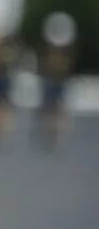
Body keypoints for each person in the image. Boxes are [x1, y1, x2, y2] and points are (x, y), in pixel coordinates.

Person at [34, 12, 77, 149]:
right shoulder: (48, 52)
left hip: (60, 81)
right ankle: (49, 132)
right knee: (48, 108)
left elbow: (69, 68)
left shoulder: (67, 53)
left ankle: (57, 135)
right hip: (51, 80)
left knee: (59, 109)